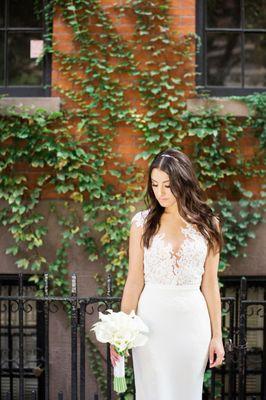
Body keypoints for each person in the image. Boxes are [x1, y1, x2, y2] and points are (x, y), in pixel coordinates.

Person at [110, 148, 225, 399]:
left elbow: (210, 285)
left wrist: (217, 336)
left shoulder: (209, 224)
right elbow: (134, 280)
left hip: (193, 325)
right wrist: (121, 331)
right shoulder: (141, 223)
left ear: (184, 183)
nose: (160, 193)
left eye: (167, 185)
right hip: (151, 324)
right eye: (155, 185)